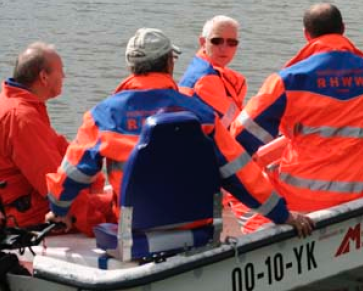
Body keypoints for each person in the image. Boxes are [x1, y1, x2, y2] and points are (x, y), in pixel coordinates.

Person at [45, 28, 313, 237]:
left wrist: (59, 210)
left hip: (134, 227)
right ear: (169, 65)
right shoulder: (201, 114)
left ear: (131, 67)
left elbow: (70, 175)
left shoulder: (102, 116)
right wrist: (282, 215)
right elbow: (239, 173)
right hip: (195, 226)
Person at [230, 3, 363, 229]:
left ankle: (254, 230)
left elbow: (241, 135)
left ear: (306, 35)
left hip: (300, 199)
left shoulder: (286, 81)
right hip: (362, 192)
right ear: (343, 29)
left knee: (248, 178)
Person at [0, 43, 71, 228]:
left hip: (10, 202)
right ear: (44, 77)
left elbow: (56, 147)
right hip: (16, 216)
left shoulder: (11, 102)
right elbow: (54, 187)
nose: (64, 76)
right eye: (61, 70)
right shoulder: (22, 117)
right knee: (102, 211)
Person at [179, 16, 247, 128]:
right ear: (202, 42)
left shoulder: (204, 68)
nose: (224, 48)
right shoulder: (205, 79)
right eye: (216, 41)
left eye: (231, 42)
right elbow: (239, 131)